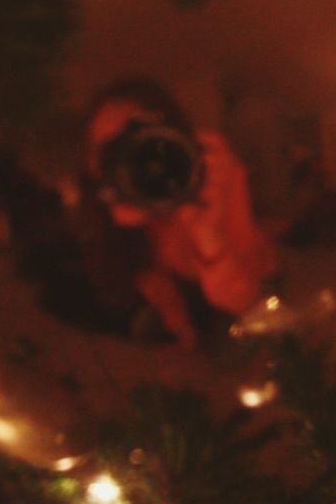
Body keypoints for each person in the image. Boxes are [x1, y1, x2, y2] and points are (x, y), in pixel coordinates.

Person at [85, 80, 277, 349]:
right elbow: (150, 275)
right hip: (188, 286)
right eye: (109, 151)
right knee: (144, 330)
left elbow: (245, 299)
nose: (129, 159)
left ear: (167, 133)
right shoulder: (116, 207)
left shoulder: (211, 177)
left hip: (250, 284)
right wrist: (181, 328)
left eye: (137, 139)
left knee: (237, 348)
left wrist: (208, 235)